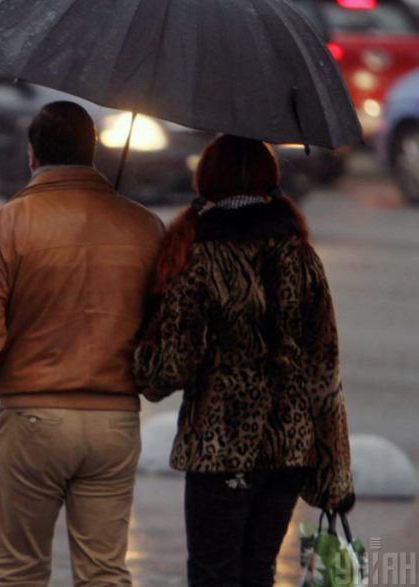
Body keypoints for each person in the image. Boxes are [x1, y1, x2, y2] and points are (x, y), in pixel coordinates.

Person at [0, 101, 165, 586]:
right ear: (93, 153)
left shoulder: (4, 225)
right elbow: (161, 332)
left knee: (20, 572)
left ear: (31, 157)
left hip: (31, 419)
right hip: (114, 422)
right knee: (105, 573)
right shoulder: (144, 227)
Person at [133, 134, 354, 587]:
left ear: (207, 178)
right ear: (270, 179)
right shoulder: (301, 256)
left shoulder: (202, 259)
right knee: (258, 571)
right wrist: (334, 468)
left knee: (214, 575)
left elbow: (162, 372)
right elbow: (325, 369)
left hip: (222, 450)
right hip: (290, 451)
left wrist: (143, 337)